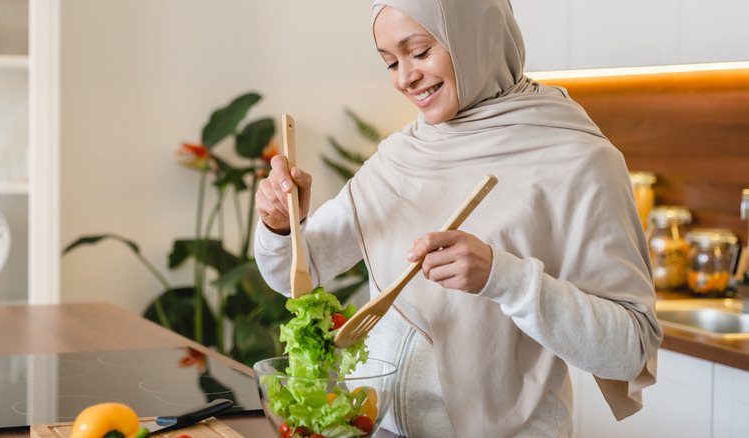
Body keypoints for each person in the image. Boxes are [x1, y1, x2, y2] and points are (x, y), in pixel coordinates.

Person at [253, 0, 662, 436]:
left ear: (475, 37)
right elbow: (295, 275)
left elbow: (630, 349)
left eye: (420, 52)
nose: (405, 77)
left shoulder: (579, 160)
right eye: (390, 62)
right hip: (379, 428)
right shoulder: (400, 156)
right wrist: (282, 226)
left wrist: (504, 278)